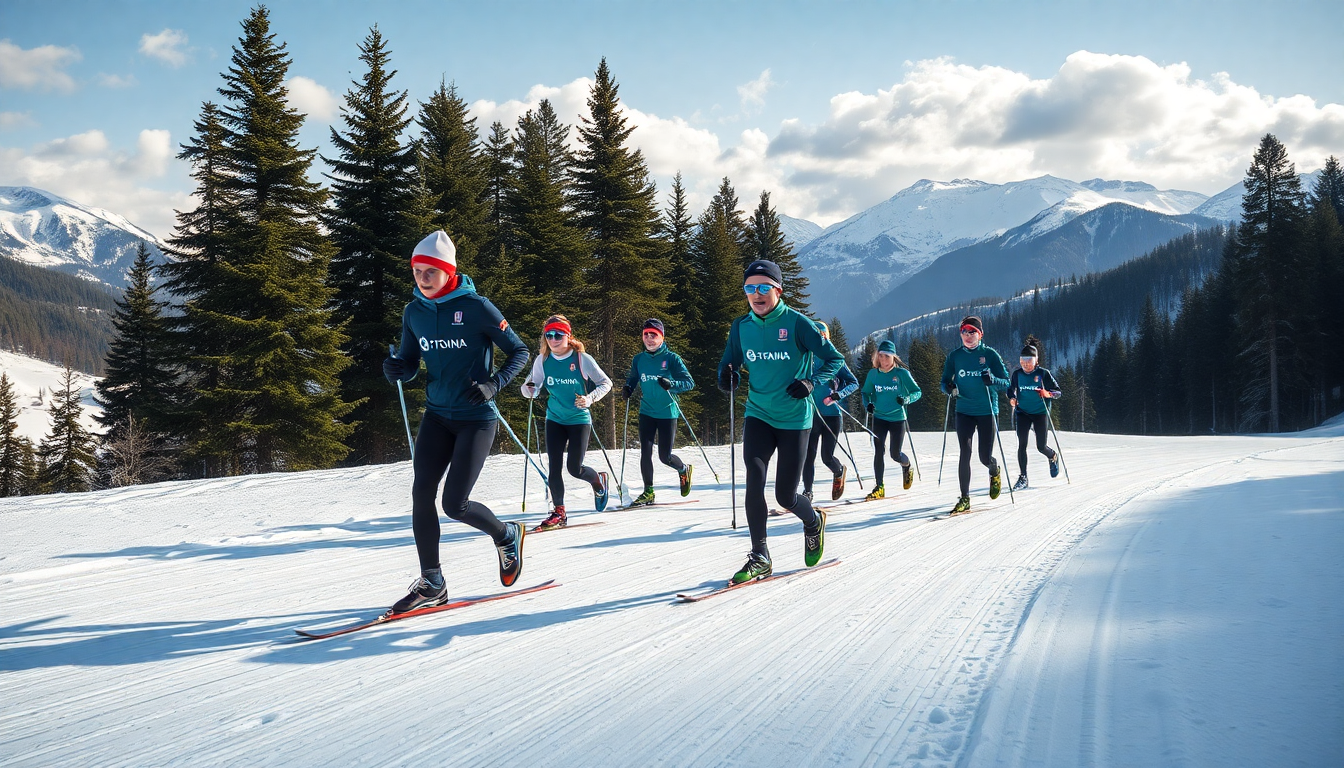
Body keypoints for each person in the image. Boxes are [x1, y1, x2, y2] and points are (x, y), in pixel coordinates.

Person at [381, 230, 530, 614]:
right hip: (437, 416)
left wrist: (495, 383)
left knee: (454, 504)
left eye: (430, 271)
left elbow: (520, 351)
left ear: (449, 271)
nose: (422, 278)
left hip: (475, 420)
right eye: (417, 271)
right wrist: (397, 369)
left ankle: (506, 534)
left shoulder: (477, 307)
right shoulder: (414, 312)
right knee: (421, 494)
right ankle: (432, 582)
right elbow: (410, 362)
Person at [718, 259, 845, 584]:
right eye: (750, 288)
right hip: (758, 414)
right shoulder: (741, 326)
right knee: (754, 479)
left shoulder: (799, 324)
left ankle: (813, 521)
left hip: (794, 419)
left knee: (785, 496)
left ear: (778, 290)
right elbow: (729, 362)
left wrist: (811, 382)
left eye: (764, 287)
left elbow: (835, 360)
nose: (756, 294)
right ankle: (760, 556)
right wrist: (727, 377)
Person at [520, 314, 613, 530]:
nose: (553, 339)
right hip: (555, 418)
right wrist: (529, 390)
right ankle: (559, 512)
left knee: (574, 468)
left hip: (578, 419)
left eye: (558, 335)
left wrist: (589, 399)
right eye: (549, 335)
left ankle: (598, 481)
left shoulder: (581, 359)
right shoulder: (542, 360)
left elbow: (605, 383)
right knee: (554, 467)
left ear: (568, 336)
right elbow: (531, 386)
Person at [939, 315, 1010, 515]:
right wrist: (948, 388)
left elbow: (1006, 383)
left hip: (987, 411)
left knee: (984, 457)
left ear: (980, 334)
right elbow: (943, 381)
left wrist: (992, 380)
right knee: (965, 452)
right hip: (964, 410)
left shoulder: (990, 354)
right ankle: (965, 498)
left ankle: (994, 469)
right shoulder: (954, 356)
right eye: (964, 331)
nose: (968, 335)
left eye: (972, 332)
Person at [620, 319, 694, 506]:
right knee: (645, 452)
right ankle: (648, 491)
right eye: (646, 334)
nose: (649, 338)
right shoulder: (639, 359)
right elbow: (633, 378)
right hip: (646, 411)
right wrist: (628, 387)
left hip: (667, 412)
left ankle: (683, 469)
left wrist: (672, 384)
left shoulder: (672, 358)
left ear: (662, 337)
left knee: (665, 457)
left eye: (654, 335)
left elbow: (689, 383)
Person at [803, 321, 859, 502]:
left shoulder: (834, 358)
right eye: (815, 335)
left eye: (822, 335)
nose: (819, 338)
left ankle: (839, 471)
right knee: (807, 456)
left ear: (827, 337)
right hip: (810, 415)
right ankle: (808, 492)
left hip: (832, 415)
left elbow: (853, 383)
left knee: (826, 457)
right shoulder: (805, 357)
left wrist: (838, 394)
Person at [861, 339, 922, 501]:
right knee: (878, 451)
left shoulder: (902, 374)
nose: (884, 360)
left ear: (893, 357)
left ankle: (906, 465)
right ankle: (879, 487)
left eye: (887, 356)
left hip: (897, 418)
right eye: (881, 356)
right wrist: (868, 404)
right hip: (879, 417)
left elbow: (917, 392)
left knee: (895, 454)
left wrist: (906, 399)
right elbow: (865, 392)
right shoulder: (873, 374)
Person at [1007, 334, 1062, 490]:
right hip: (1022, 413)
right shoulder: (1017, 374)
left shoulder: (1043, 374)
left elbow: (1058, 392)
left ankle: (1052, 456)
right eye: (1022, 360)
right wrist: (1012, 398)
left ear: (1036, 360)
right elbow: (1010, 389)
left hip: (1040, 413)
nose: (1025, 364)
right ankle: (1023, 477)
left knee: (1041, 446)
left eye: (1029, 360)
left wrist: (1047, 393)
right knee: (1022, 444)